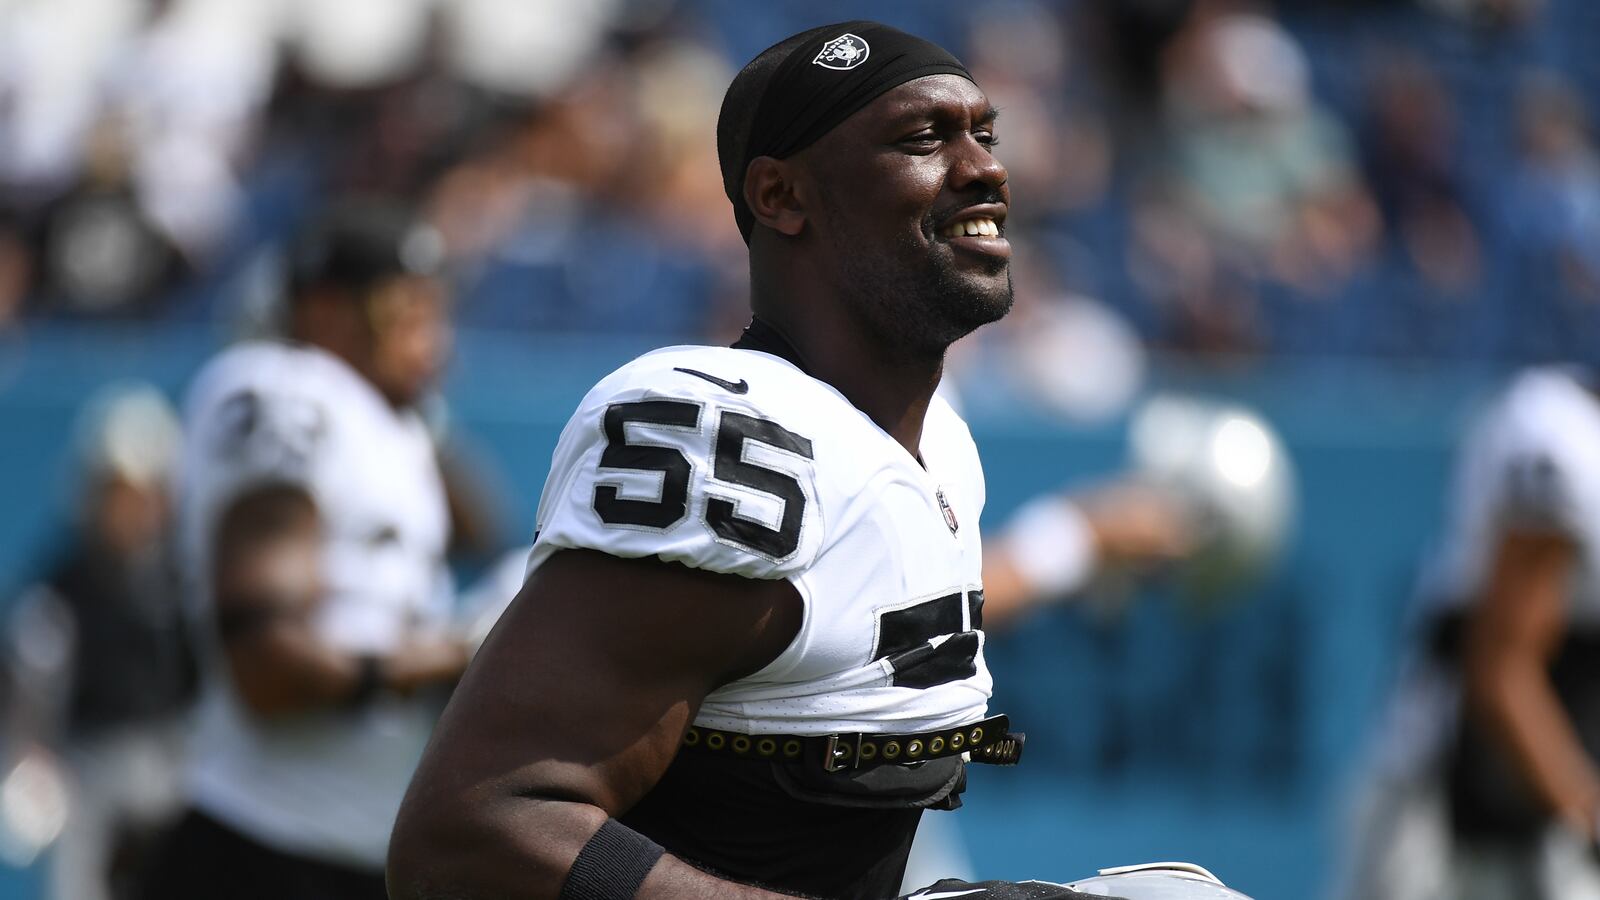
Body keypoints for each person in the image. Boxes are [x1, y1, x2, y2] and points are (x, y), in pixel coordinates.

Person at [389, 21, 1132, 900]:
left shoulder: (938, 445)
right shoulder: (726, 433)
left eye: (986, 133)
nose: (985, 168)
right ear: (781, 195)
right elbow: (474, 829)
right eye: (924, 137)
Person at [139, 202, 473, 900]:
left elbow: (482, 520)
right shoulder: (289, 392)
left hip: (354, 852)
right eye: (404, 311)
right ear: (326, 313)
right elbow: (268, 666)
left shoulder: (391, 424)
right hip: (262, 849)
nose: (430, 339)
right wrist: (448, 659)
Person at [1339, 365, 1600, 900]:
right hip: (1447, 795)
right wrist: (1586, 808)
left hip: (1540, 802)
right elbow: (1503, 673)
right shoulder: (1561, 433)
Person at [12, 384, 194, 900]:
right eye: (122, 492)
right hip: (89, 779)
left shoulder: (183, 582)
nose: (137, 510)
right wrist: (31, 773)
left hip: (178, 775)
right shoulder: (59, 590)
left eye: (149, 493)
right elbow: (31, 703)